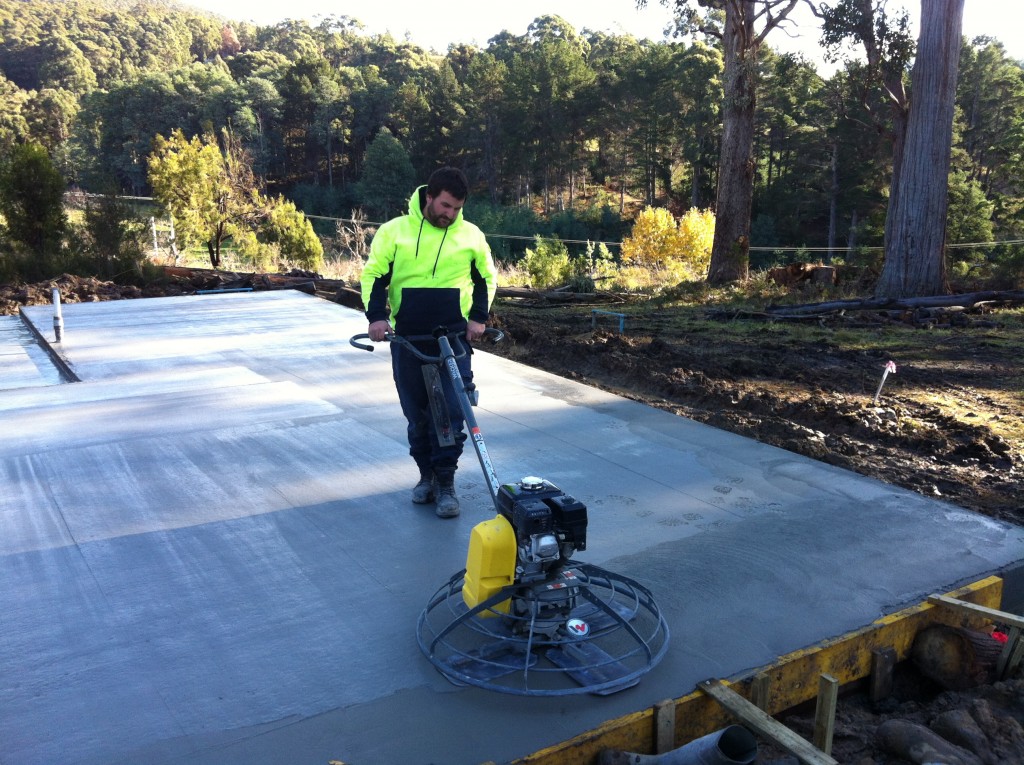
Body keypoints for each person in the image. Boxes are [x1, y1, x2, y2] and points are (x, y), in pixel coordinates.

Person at [360, 167, 497, 518]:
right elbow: (375, 275)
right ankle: (426, 477)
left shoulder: (470, 235)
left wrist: (478, 317)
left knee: (452, 411)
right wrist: (376, 317)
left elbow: (485, 278)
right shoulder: (395, 232)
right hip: (408, 337)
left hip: (453, 336)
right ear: (430, 197)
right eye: (445, 206)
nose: (450, 214)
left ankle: (447, 482)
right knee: (417, 414)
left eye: (456, 209)